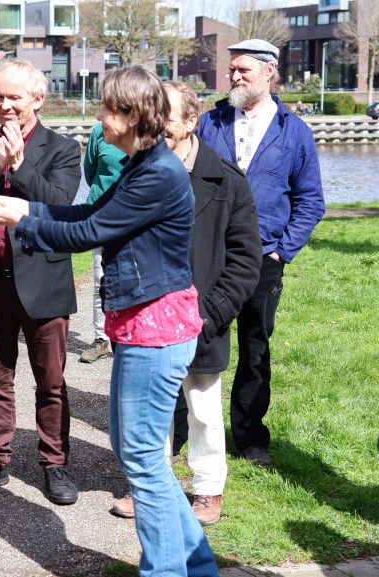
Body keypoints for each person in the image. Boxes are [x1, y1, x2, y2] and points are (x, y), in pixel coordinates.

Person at [0, 65, 219, 577]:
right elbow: (88, 213)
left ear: (132, 115)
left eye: (106, 108)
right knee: (140, 455)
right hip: (142, 325)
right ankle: (198, 565)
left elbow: (89, 232)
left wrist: (17, 218)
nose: (98, 116)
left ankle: (165, 570)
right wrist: (18, 205)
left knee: (143, 463)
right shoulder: (141, 164)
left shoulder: (158, 174)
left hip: (155, 329)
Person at [110, 81, 262, 526]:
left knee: (202, 408)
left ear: (192, 122)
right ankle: (150, 485)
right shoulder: (135, 172)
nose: (156, 128)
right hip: (144, 319)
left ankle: (208, 489)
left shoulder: (228, 182)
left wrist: (208, 315)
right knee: (147, 409)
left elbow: (244, 262)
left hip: (200, 320)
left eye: (166, 119)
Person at [0, 58, 82, 505]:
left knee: (50, 380)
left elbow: (60, 207)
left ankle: (55, 463)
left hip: (43, 282)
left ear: (37, 100)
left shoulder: (63, 148)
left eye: (14, 97)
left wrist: (21, 166)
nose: (5, 106)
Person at [197, 39, 325, 468]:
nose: (233, 76)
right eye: (231, 69)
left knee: (255, 347)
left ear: (269, 73)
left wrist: (282, 253)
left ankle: (250, 437)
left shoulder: (295, 131)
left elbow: (310, 201)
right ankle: (185, 432)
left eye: (242, 70)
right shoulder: (209, 124)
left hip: (264, 259)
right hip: (210, 256)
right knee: (198, 340)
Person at [78, 122, 126, 364]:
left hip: (134, 216)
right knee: (100, 279)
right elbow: (90, 172)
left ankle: (126, 339)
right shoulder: (99, 131)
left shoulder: (150, 129)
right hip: (102, 215)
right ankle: (101, 338)